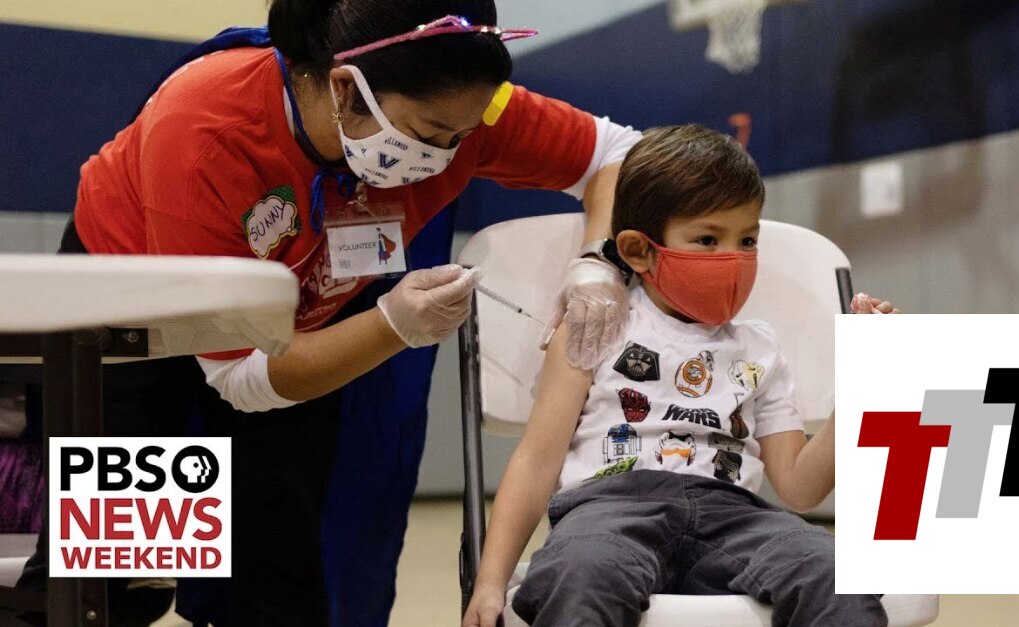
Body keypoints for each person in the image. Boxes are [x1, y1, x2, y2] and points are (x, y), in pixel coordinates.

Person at [16, 1, 642, 625]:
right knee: (117, 569)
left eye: (463, 136)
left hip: (294, 318)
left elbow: (618, 152)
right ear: (346, 88)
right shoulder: (208, 127)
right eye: (429, 136)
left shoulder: (456, 101)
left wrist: (599, 260)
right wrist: (392, 326)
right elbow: (239, 378)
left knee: (278, 560)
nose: (449, 155)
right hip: (135, 312)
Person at [463, 125, 894, 627]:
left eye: (748, 240)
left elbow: (800, 489)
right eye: (708, 239)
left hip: (736, 517)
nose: (733, 259)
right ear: (638, 250)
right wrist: (489, 581)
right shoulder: (595, 326)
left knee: (838, 574)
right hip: (610, 511)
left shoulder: (760, 348)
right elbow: (536, 462)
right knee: (580, 573)